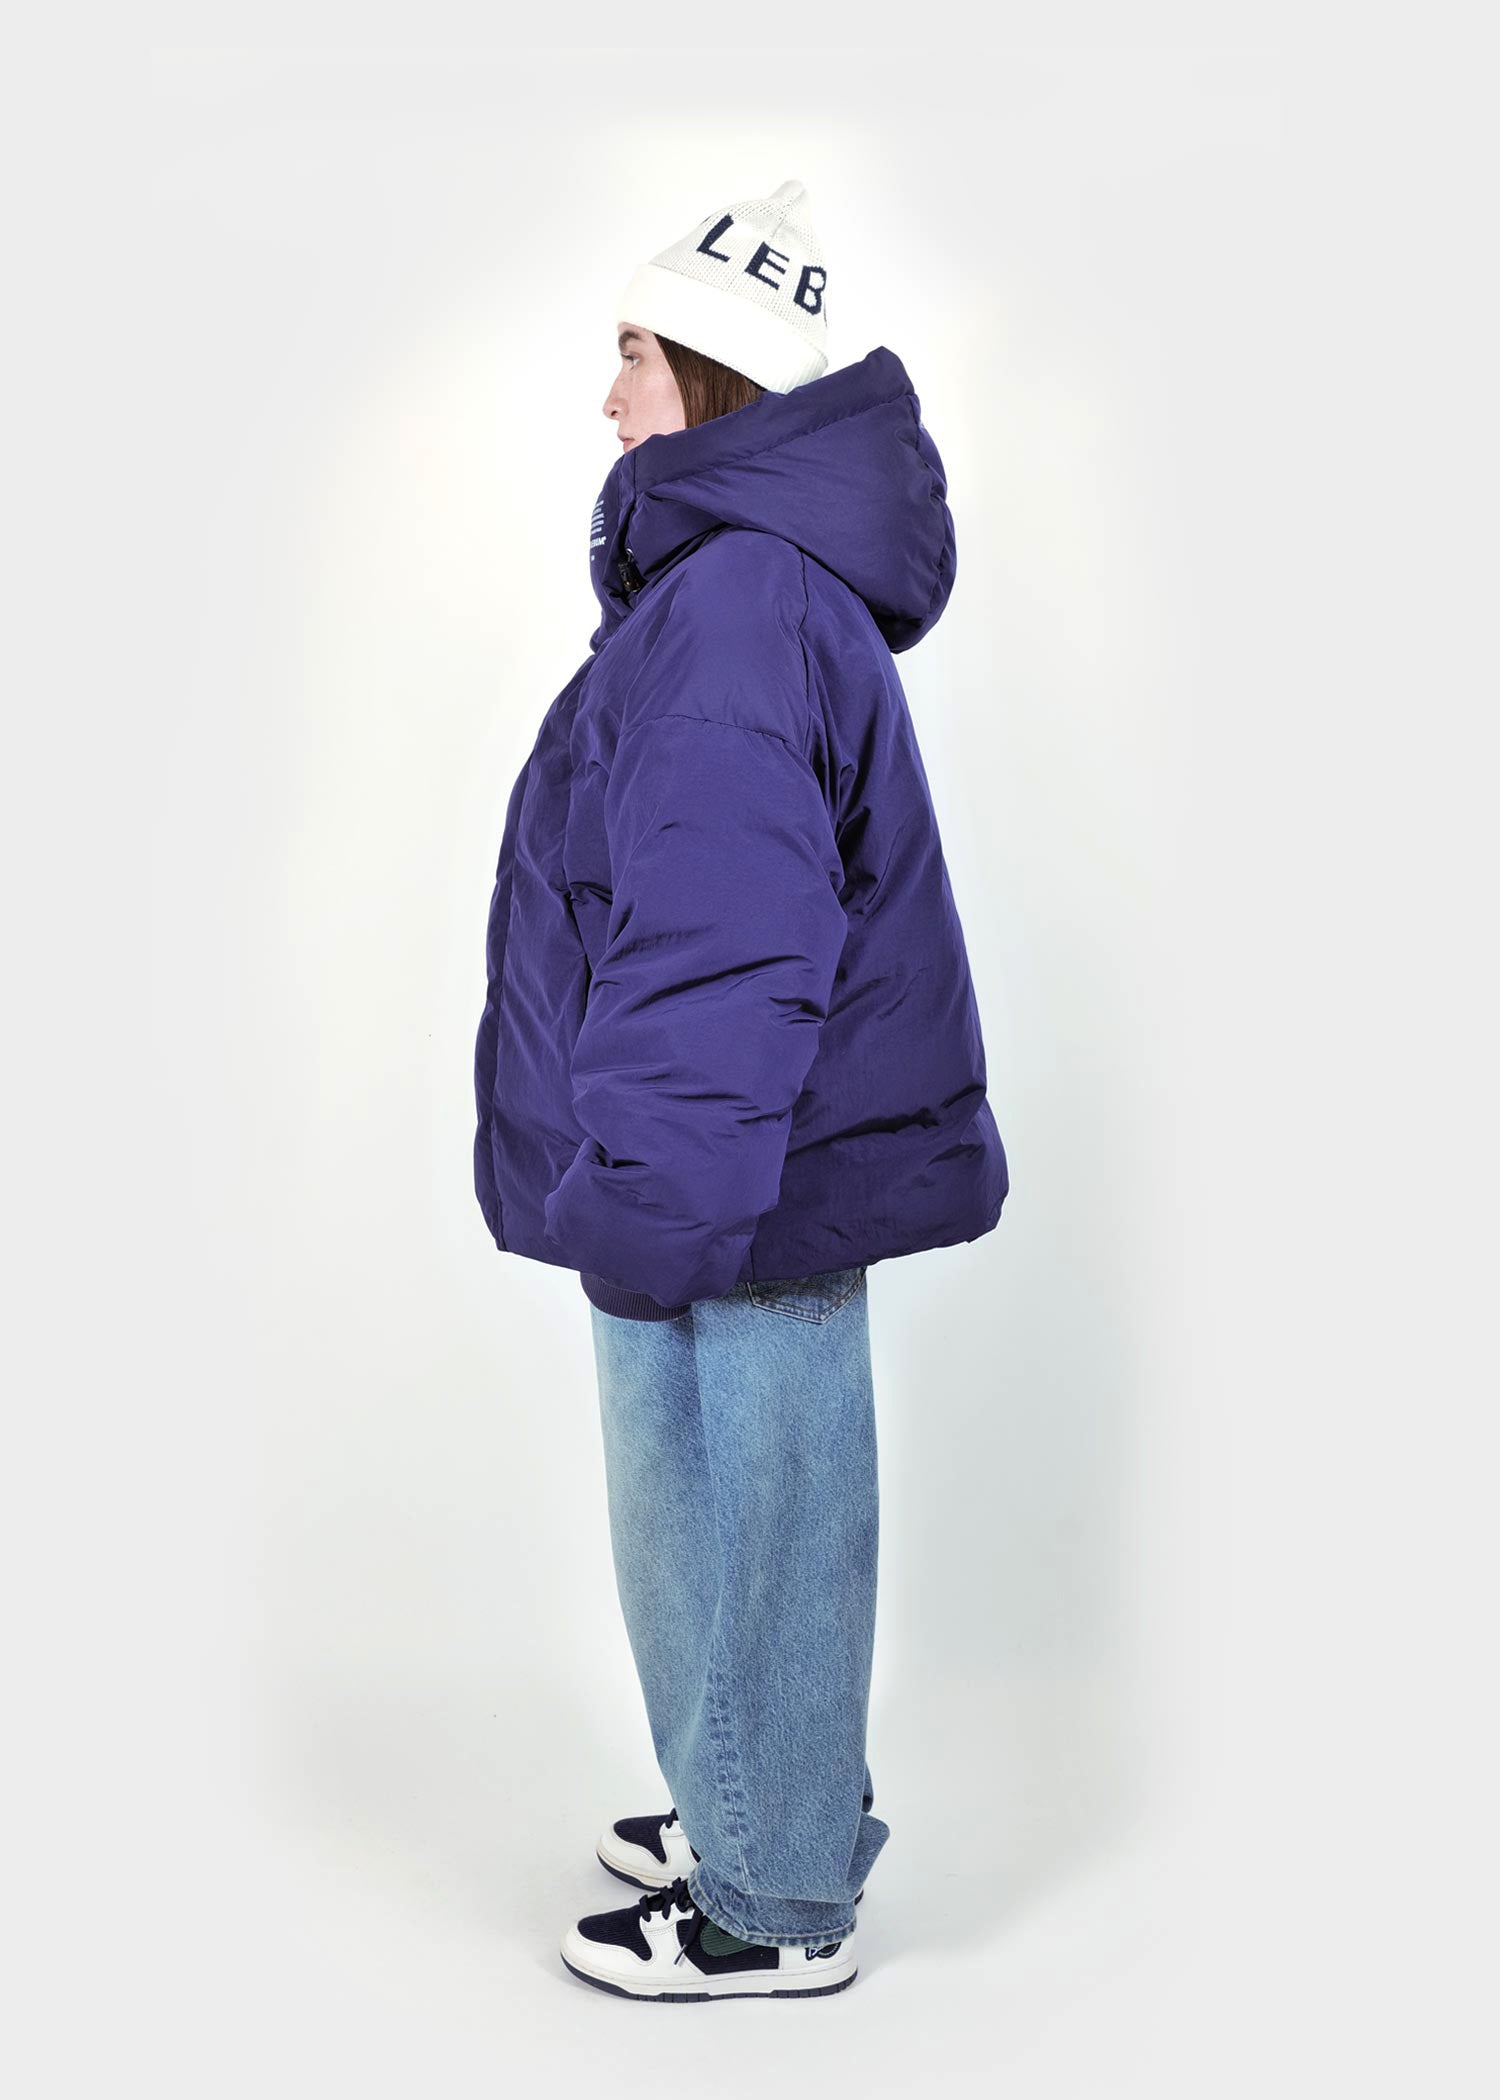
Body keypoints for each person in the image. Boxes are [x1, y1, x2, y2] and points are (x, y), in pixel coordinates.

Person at [471, 178, 1009, 2000]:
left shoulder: (735, 606)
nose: (609, 394)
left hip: (731, 1173)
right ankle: (754, 1801)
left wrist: (654, 1196)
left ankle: (772, 1900)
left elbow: (722, 935)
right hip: (726, 1159)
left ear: (714, 376)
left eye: (632, 353)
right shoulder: (741, 592)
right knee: (728, 1505)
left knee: (745, 1510)